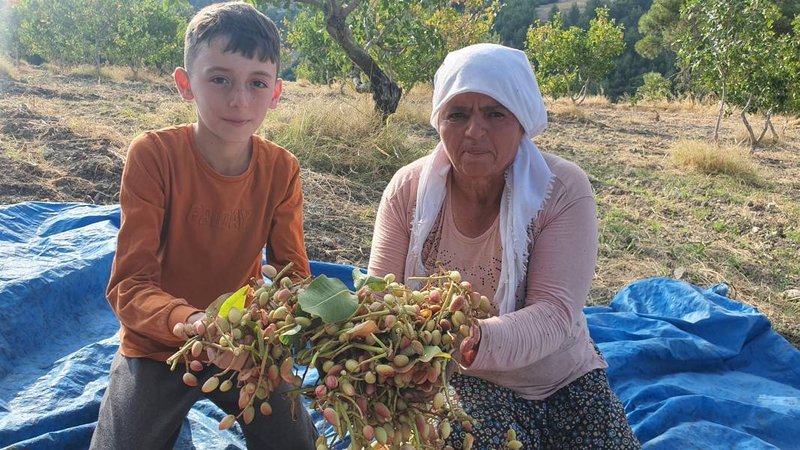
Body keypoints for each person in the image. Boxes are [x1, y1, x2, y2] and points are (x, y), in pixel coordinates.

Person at [368, 43, 640, 449]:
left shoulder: (561, 190)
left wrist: (474, 338)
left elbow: (553, 313)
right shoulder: (407, 191)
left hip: (557, 376)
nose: (474, 131)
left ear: (522, 121)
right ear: (439, 121)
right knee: (459, 439)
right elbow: (380, 300)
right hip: (457, 376)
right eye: (457, 114)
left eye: (495, 114)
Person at [90, 3, 317, 449]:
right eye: (219, 79)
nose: (239, 100)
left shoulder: (281, 170)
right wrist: (194, 323)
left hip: (245, 342)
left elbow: (295, 275)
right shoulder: (153, 157)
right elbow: (130, 286)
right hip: (160, 342)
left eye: (257, 83)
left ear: (276, 92)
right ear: (184, 83)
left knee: (295, 441)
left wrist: (291, 314)